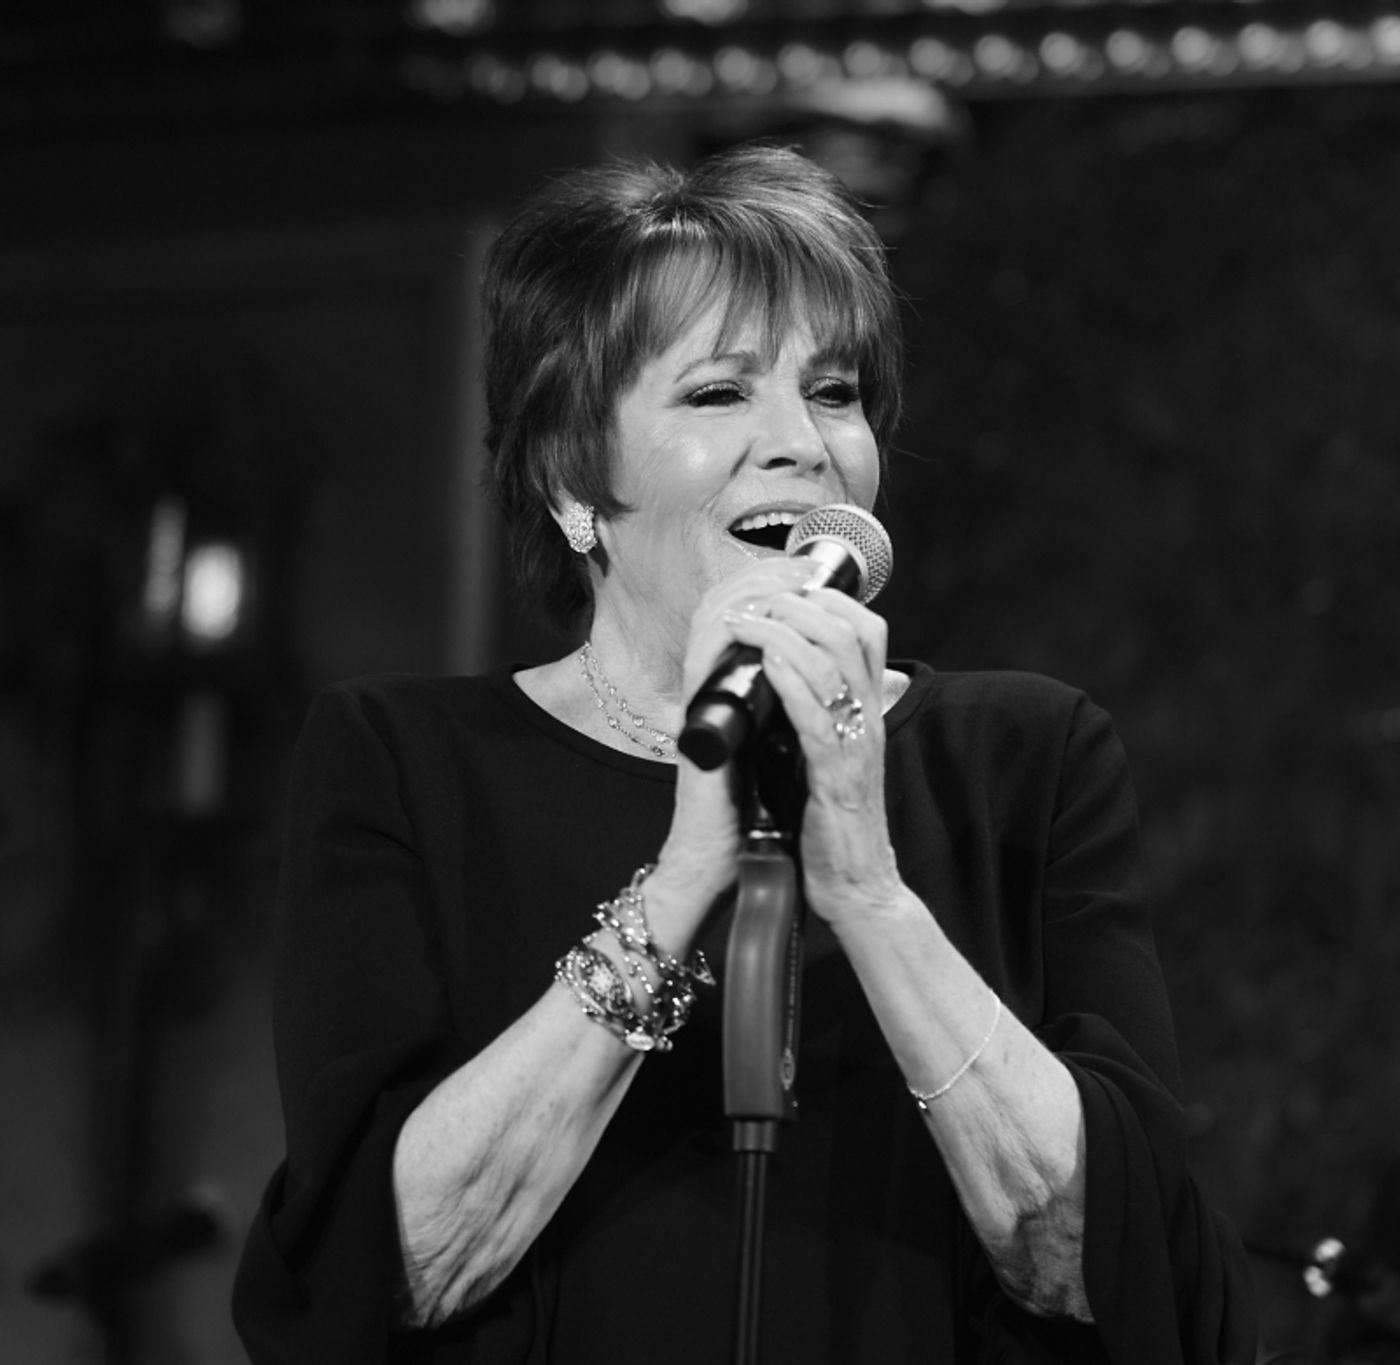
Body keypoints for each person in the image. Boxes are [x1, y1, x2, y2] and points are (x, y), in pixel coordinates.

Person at [231, 142, 1258, 1364]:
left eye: (832, 392)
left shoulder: (1024, 756)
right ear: (571, 475)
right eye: (719, 394)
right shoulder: (400, 761)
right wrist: (680, 882)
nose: (803, 444)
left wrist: (867, 891)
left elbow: (1106, 1268)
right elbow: (389, 1271)